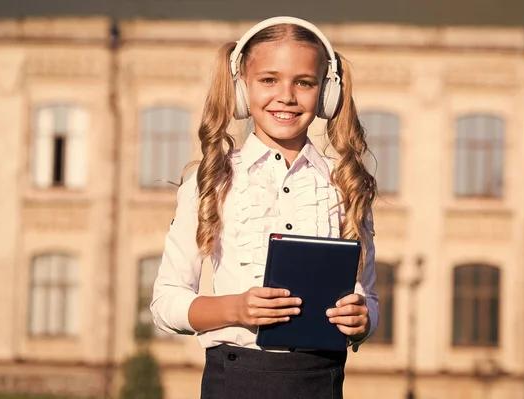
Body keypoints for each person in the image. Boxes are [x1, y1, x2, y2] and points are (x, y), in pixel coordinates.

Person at [151, 16, 379, 399]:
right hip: (235, 381)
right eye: (268, 80)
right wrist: (237, 309)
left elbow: (368, 297)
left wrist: (363, 320)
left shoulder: (346, 187)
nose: (286, 96)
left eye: (304, 83)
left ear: (327, 94)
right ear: (242, 88)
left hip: (321, 381)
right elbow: (166, 303)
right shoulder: (209, 182)